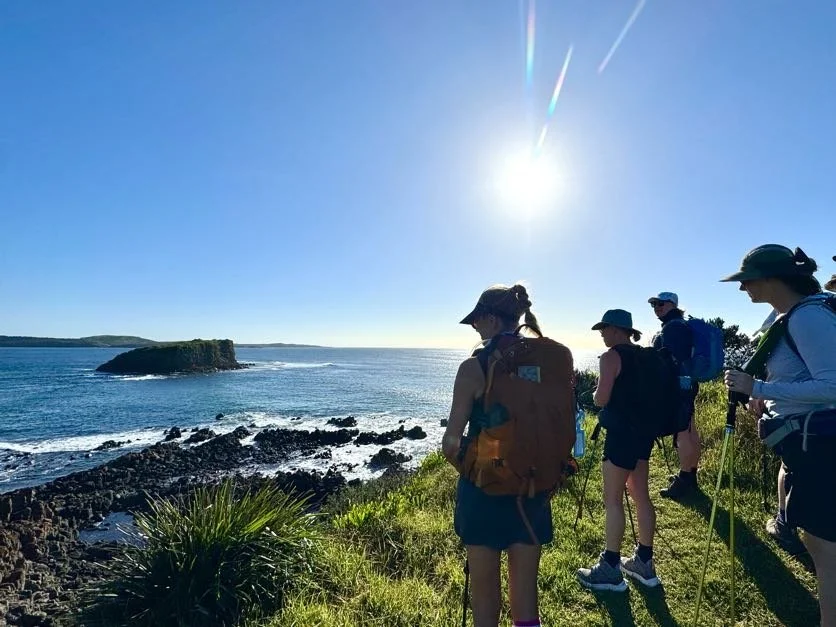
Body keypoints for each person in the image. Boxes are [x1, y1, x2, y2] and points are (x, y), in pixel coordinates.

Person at [722, 244, 836, 627]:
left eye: (747, 280)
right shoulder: (809, 309)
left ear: (772, 278)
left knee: (823, 541)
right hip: (812, 441)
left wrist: (760, 389)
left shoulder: (806, 318)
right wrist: (766, 388)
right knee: (819, 538)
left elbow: (833, 386)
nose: (743, 289)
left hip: (820, 443)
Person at [442, 284, 555, 627]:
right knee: (526, 595)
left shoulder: (473, 368)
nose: (475, 328)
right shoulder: (548, 363)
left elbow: (450, 443)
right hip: (532, 487)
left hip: (484, 489)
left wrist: (474, 470)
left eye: (476, 321)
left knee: (484, 594)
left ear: (490, 319)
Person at [576, 309, 660, 591]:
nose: (601, 333)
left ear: (615, 330)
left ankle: (610, 567)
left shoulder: (611, 357)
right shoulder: (646, 356)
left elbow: (601, 399)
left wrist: (594, 394)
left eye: (604, 328)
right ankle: (644, 563)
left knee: (612, 499)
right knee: (641, 497)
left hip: (621, 434)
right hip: (644, 435)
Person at [648, 292, 701, 500]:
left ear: (673, 304)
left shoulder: (674, 327)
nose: (656, 307)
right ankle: (691, 475)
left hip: (679, 386)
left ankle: (685, 479)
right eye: (654, 304)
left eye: (660, 304)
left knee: (682, 433)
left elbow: (674, 360)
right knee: (689, 429)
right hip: (686, 385)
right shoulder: (679, 324)